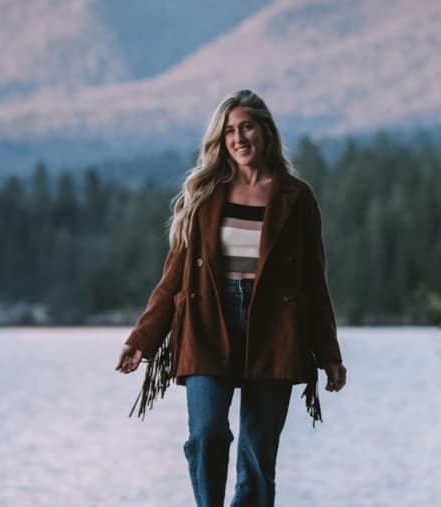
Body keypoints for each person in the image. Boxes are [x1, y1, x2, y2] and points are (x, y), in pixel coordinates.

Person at [116, 89, 346, 506]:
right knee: (207, 433)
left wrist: (328, 354)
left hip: (275, 330)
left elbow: (314, 281)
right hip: (207, 322)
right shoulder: (203, 195)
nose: (239, 138)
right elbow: (173, 278)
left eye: (246, 127)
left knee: (258, 456)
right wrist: (141, 340)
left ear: (264, 131)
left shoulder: (296, 197)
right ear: (220, 143)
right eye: (228, 133)